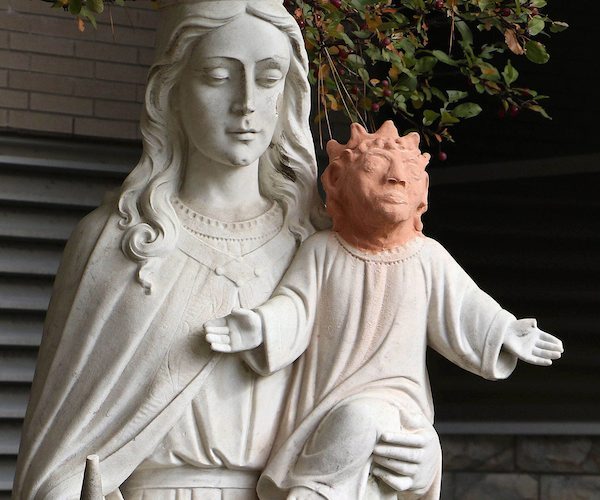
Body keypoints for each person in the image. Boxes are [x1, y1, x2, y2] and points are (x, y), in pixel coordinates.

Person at [12, 4, 434, 499]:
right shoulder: (120, 243)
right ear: (170, 91)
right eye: (218, 76)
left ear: (289, 92)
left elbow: (382, 386)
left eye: (269, 77)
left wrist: (418, 457)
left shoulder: (323, 248)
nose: (246, 103)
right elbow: (59, 453)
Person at [205, 121, 564, 500]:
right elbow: (294, 307)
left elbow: (468, 310)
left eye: (409, 175)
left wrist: (505, 332)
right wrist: (261, 328)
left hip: (399, 406)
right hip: (325, 403)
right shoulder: (322, 251)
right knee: (356, 430)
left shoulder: (428, 258)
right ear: (338, 185)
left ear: (421, 196)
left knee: (368, 424)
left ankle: (314, 489)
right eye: (376, 169)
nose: (395, 179)